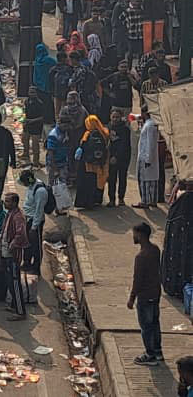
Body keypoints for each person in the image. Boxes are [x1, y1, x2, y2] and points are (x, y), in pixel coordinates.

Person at [0, 192, 28, 320]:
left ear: (14, 203)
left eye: (8, 201)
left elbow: (20, 234)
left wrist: (11, 246)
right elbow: (2, 234)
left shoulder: (18, 217)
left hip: (12, 256)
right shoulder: (9, 214)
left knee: (15, 282)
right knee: (10, 281)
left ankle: (20, 312)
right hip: (4, 254)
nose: (5, 203)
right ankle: (14, 306)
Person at [128, 221, 164, 366]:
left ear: (141, 235)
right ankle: (157, 351)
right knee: (155, 323)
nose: (133, 236)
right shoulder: (155, 249)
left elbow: (138, 280)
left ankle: (150, 354)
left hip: (145, 296)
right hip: (155, 293)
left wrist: (131, 298)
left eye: (135, 234)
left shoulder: (141, 257)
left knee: (146, 326)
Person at [74, 115, 109, 209]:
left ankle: (86, 203)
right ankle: (96, 201)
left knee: (86, 183)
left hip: (88, 164)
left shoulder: (88, 134)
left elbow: (83, 146)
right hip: (100, 164)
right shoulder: (104, 132)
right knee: (97, 182)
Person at [21, 170, 50, 274]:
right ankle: (27, 263)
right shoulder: (31, 186)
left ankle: (36, 267)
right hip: (28, 218)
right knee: (26, 243)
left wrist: (34, 227)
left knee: (36, 246)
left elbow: (39, 210)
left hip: (35, 221)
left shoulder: (40, 191)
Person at [137, 105, 162, 208]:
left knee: (145, 180)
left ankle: (145, 201)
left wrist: (148, 158)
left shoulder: (150, 125)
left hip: (146, 157)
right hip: (147, 156)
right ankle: (151, 200)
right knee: (151, 180)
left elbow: (150, 143)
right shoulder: (149, 124)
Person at [107, 108, 132, 207]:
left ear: (121, 117)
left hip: (123, 158)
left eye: (117, 117)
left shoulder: (125, 129)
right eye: (113, 117)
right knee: (111, 179)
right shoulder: (108, 128)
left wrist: (116, 157)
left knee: (122, 178)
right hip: (110, 158)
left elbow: (124, 145)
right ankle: (111, 199)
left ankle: (121, 198)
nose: (115, 119)